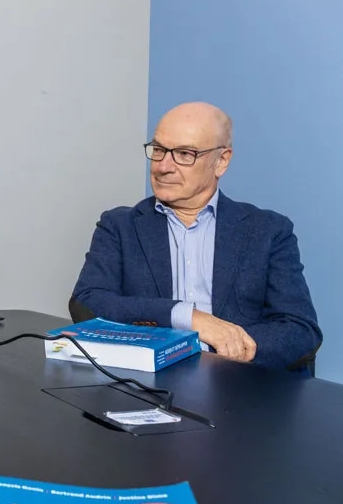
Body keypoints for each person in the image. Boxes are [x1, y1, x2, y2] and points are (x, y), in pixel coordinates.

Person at [70, 102, 321, 371]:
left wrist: (217, 347)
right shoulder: (119, 225)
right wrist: (188, 318)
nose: (163, 166)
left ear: (221, 161)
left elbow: (299, 329)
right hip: (147, 386)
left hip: (240, 388)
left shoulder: (268, 230)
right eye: (158, 150)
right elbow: (88, 302)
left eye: (184, 153)